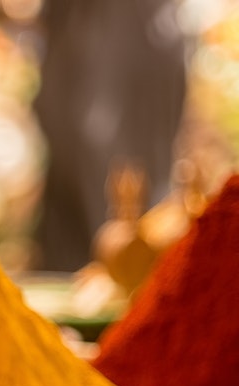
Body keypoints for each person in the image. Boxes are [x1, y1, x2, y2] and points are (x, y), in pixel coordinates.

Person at [33, 0, 187, 271]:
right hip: (108, 34)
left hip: (119, 35)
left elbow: (95, 122)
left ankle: (122, 264)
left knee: (110, 154)